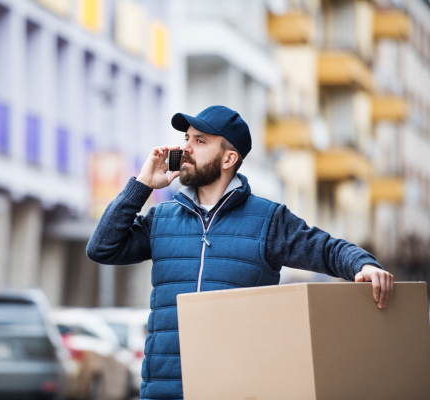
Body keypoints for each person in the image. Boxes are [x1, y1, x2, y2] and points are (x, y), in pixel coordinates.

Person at [86, 105, 393, 400]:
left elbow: (326, 248)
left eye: (200, 141)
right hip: (164, 392)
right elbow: (102, 247)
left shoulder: (268, 220)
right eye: (186, 139)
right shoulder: (162, 218)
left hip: (238, 390)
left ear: (229, 157)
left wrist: (361, 264)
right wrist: (142, 185)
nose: (186, 149)